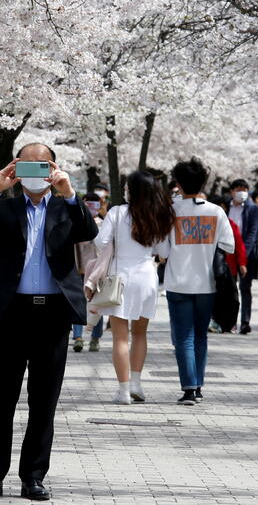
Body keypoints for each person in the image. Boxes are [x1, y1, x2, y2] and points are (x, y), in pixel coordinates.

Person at [0, 143, 98, 501]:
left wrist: (69, 193)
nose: (35, 174)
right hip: (11, 312)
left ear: (53, 168)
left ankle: (34, 476)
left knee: (44, 401)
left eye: (42, 166)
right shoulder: (6, 207)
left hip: (53, 313)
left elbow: (89, 232)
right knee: (0, 397)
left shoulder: (65, 207)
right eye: (26, 166)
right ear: (16, 169)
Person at [88, 171, 175, 404]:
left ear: (133, 191)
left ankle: (123, 390)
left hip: (120, 277)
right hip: (147, 276)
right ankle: (136, 383)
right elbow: (164, 252)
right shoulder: (158, 216)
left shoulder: (117, 212)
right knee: (140, 333)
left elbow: (100, 241)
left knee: (120, 337)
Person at [158, 158, 234, 405]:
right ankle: (198, 386)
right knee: (201, 335)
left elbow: (163, 251)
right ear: (203, 183)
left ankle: (189, 388)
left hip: (177, 282)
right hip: (207, 283)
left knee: (183, 337)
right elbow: (229, 246)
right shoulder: (216, 211)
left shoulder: (170, 211)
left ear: (178, 184)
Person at [72, 194, 105, 353]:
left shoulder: (104, 224)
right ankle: (78, 337)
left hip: (98, 270)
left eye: (94, 204)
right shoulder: (77, 223)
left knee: (97, 304)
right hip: (79, 268)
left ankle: (95, 338)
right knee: (77, 303)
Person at [227, 179, 258, 335]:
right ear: (231, 191)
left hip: (246, 255)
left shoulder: (252, 209)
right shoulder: (225, 207)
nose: (242, 192)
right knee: (229, 289)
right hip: (227, 253)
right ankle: (230, 321)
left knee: (245, 289)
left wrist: (243, 256)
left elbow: (253, 233)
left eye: (245, 189)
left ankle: (245, 322)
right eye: (238, 189)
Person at [209, 196, 247, 333]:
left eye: (223, 208)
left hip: (228, 269)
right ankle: (213, 320)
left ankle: (226, 323)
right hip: (208, 268)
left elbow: (239, 246)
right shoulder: (207, 224)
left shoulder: (231, 224)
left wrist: (242, 263)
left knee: (228, 297)